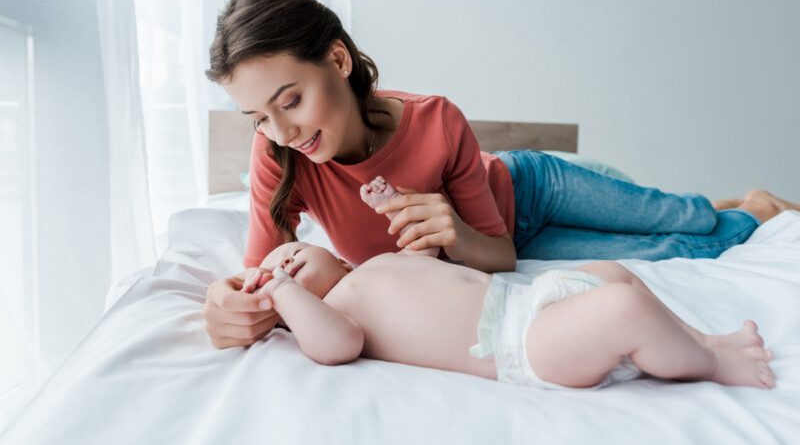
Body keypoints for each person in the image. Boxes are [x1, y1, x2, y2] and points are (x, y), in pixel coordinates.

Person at [201, 0, 800, 349]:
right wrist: (232, 306)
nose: (282, 132)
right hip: (498, 250)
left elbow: (497, 251)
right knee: (682, 251)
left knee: (681, 215)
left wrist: (455, 230)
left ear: (337, 59)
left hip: (530, 190)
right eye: (257, 116)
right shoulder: (277, 156)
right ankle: (740, 214)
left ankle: (750, 203)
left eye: (291, 101)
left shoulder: (435, 120)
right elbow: (262, 274)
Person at [237, 237, 776, 390]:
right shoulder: (338, 314)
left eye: (291, 253)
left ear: (333, 252)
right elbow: (334, 346)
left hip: (532, 297)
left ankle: (703, 338)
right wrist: (281, 294)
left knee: (612, 272)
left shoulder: (371, 266)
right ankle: (709, 363)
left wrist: (393, 211)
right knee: (622, 307)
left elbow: (425, 264)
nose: (283, 261)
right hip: (523, 345)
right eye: (279, 268)